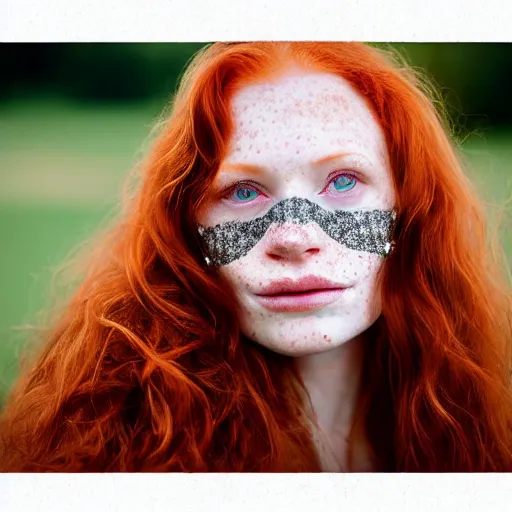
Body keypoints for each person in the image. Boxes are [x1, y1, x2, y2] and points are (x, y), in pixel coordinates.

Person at [1, 42, 511, 472]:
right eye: (244, 192)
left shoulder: (483, 429)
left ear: (410, 209)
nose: (293, 237)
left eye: (343, 181)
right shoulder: (112, 460)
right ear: (187, 229)